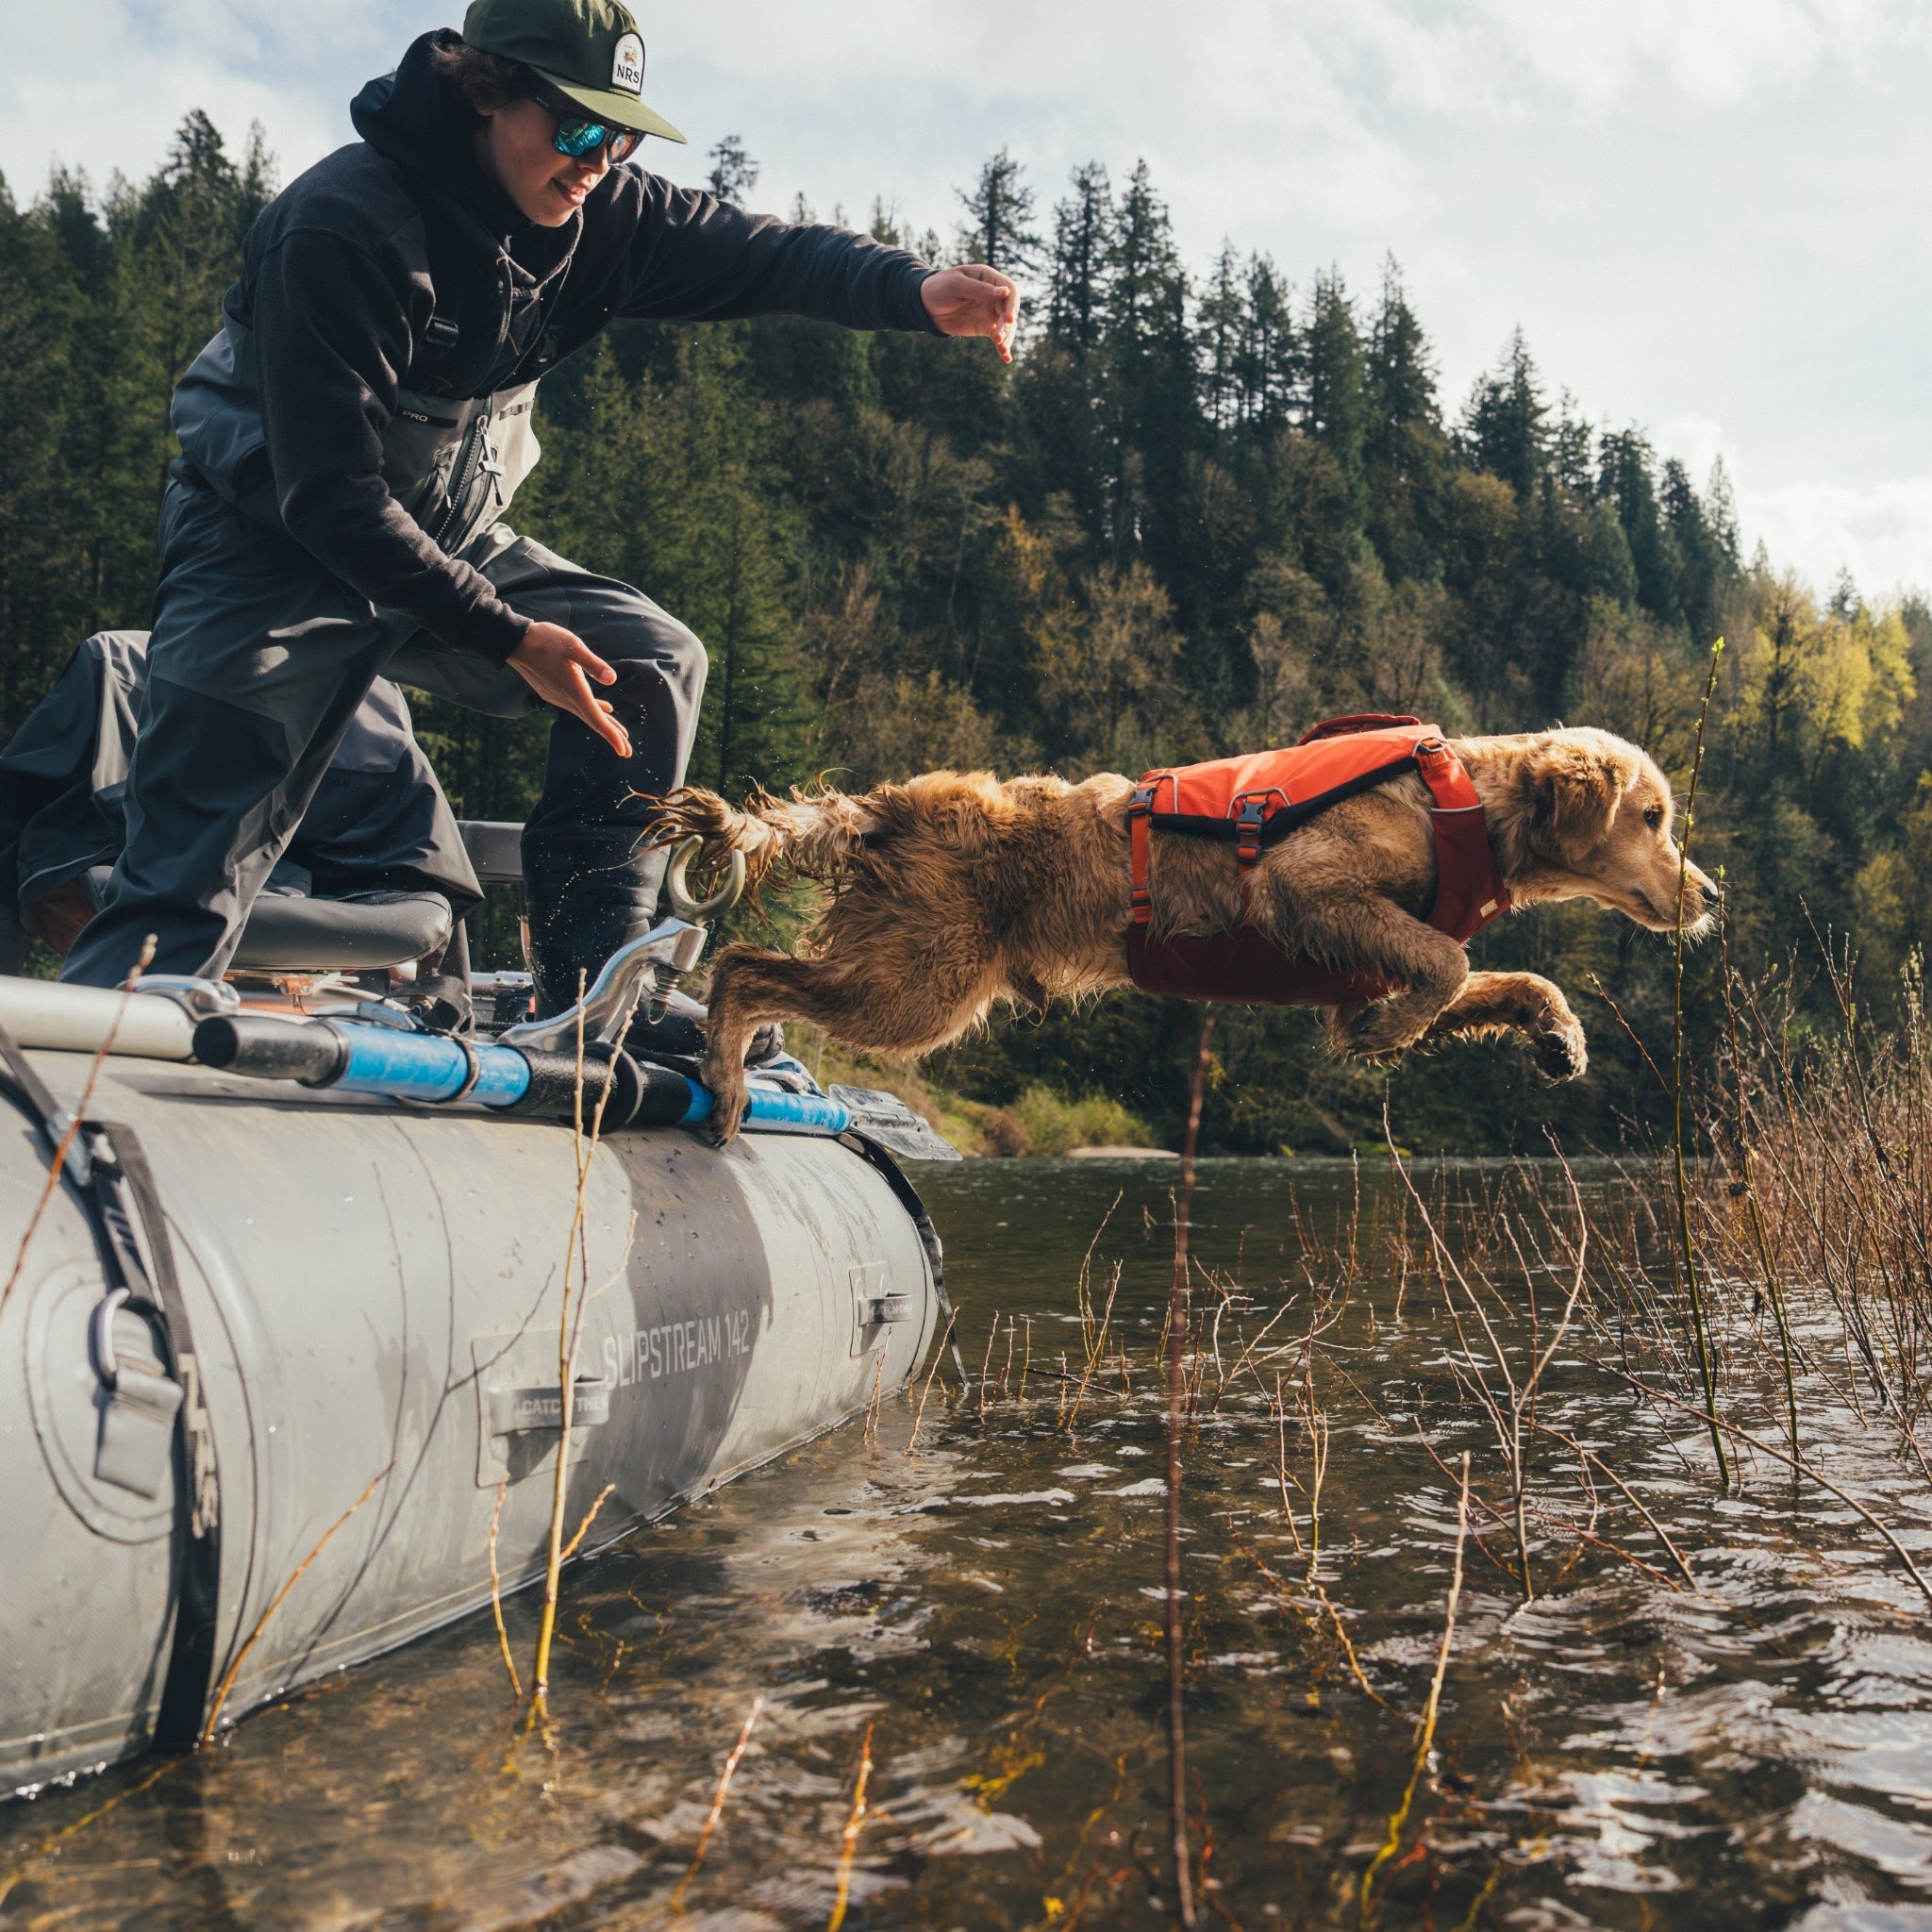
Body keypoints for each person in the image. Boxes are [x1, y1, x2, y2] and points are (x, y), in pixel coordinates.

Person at [61, 0, 1018, 1031]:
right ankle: (81, 1080)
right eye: (573, 128)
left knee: (646, 664)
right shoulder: (346, 225)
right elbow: (329, 497)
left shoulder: (607, 216)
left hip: (447, 540)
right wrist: (507, 635)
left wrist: (913, 289)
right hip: (271, 546)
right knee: (176, 891)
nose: (595, 160)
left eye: (619, 135)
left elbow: (765, 255)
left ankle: (590, 990)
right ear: (485, 93)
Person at [0, 630, 480, 976]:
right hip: (136, 851)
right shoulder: (118, 669)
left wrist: (449, 1002)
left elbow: (424, 853)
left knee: (413, 915)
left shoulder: (368, 704)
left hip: (330, 876)